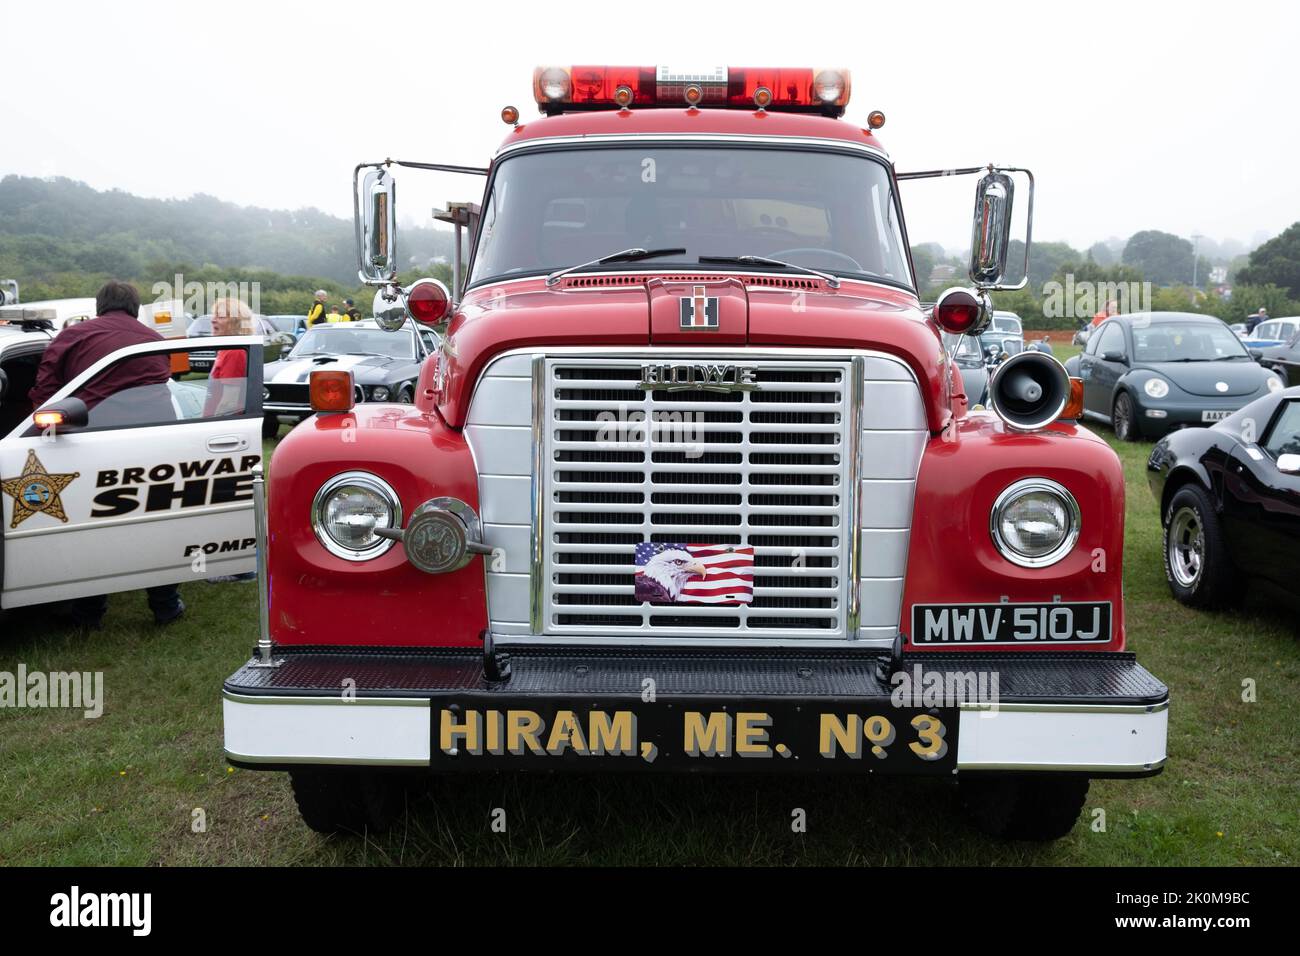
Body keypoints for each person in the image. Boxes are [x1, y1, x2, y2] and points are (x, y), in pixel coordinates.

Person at [28, 280, 185, 627]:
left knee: (93, 527)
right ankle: (165, 605)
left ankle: (88, 613)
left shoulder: (72, 336)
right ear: (135, 307)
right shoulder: (154, 339)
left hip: (93, 443)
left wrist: (46, 431)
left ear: (100, 306)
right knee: (156, 523)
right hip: (156, 445)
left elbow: (45, 391)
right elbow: (163, 385)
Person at [203, 297, 250, 418]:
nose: (213, 320)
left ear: (236, 322)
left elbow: (229, 403)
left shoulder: (234, 352)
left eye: (221, 316)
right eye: (214, 315)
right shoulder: (226, 349)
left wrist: (212, 427)